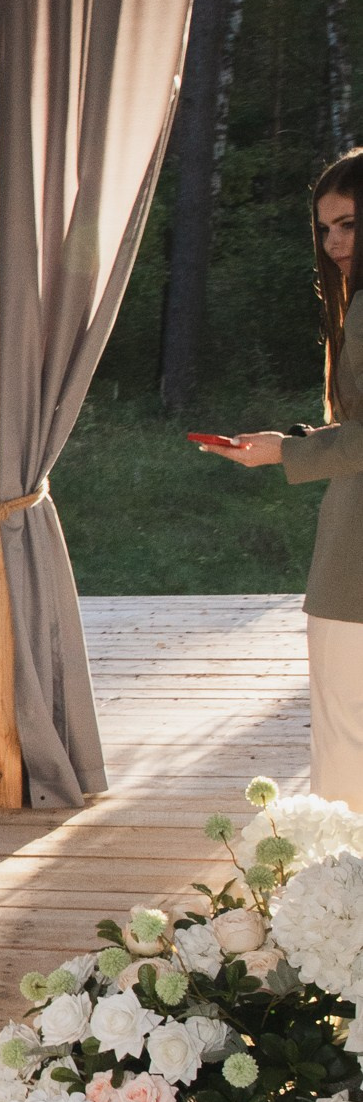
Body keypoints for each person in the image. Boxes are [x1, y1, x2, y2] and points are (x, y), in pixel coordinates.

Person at [202, 148, 363, 803]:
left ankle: (341, 869)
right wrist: (294, 442)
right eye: (324, 228)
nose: (332, 243)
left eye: (348, 223)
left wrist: (283, 454)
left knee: (346, 740)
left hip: (354, 569)